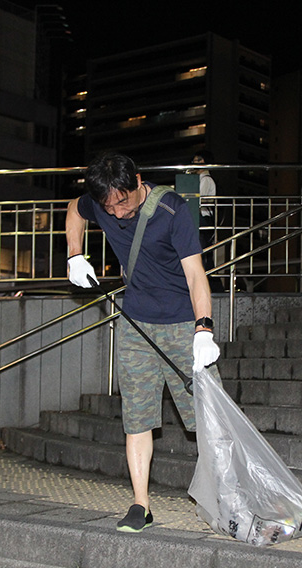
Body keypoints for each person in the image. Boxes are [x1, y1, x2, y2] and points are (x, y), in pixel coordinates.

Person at [65, 153, 220, 532]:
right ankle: (141, 504)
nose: (117, 213)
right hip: (136, 324)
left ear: (138, 180)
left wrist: (204, 328)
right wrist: (74, 255)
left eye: (124, 201)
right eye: (109, 206)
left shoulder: (172, 210)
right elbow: (74, 208)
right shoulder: (103, 203)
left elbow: (196, 275)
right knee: (136, 418)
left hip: (183, 325)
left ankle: (226, 495)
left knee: (207, 419)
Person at [193, 150, 224, 292]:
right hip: (203, 219)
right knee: (205, 254)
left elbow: (200, 201)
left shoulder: (205, 179)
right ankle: (213, 285)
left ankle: (213, 285)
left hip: (203, 219)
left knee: (203, 253)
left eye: (199, 160)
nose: (195, 163)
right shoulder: (201, 179)